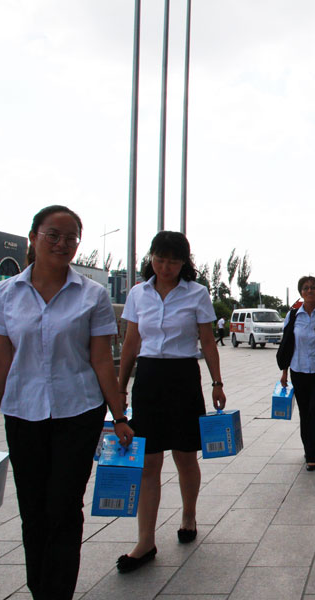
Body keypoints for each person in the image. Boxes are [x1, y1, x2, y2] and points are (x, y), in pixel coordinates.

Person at [0, 205, 133, 600]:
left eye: (71, 238)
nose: (62, 244)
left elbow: (100, 360)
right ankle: (40, 588)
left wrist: (119, 416)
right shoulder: (6, 294)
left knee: (64, 507)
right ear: (33, 237)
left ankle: (57, 593)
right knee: (33, 508)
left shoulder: (92, 295)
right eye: (53, 235)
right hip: (23, 412)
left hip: (79, 412)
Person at [116, 231, 226, 573]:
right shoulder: (138, 293)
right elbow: (131, 342)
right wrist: (119, 388)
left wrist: (217, 383)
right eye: (159, 259)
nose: (165, 267)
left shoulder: (197, 293)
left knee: (184, 455)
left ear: (184, 263)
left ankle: (188, 514)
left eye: (173, 261)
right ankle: (145, 541)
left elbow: (207, 341)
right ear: (151, 258)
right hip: (148, 379)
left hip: (183, 378)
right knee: (148, 462)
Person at [276, 276, 315, 471]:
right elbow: (287, 344)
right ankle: (308, 449)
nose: (309, 290)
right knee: (304, 413)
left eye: (313, 288)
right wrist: (284, 372)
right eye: (305, 288)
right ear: (301, 292)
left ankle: (314, 456)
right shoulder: (293, 315)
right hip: (298, 371)